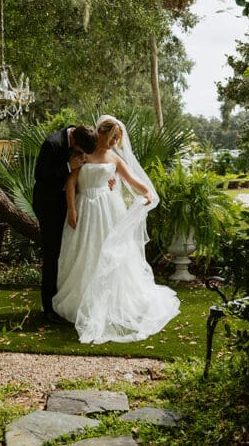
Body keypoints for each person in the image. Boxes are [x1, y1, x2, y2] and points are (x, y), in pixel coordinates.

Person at [52, 115, 180, 343]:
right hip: (84, 207)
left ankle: (111, 302)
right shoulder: (82, 153)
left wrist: (147, 193)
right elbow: (71, 182)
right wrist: (71, 210)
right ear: (100, 132)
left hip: (108, 208)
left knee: (109, 254)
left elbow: (131, 180)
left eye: (117, 140)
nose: (114, 143)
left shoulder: (114, 158)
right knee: (85, 253)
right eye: (112, 138)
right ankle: (81, 300)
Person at [32, 123, 98, 324]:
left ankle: (66, 300)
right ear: (74, 142)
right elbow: (40, 176)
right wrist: (69, 167)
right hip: (48, 204)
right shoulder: (52, 144)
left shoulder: (81, 135)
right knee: (52, 254)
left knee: (69, 251)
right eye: (79, 151)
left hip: (69, 203)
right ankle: (49, 306)